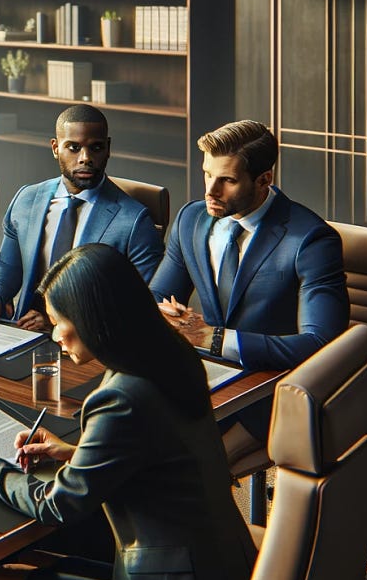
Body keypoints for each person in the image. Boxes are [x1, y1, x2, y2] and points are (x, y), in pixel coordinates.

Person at [0, 243, 257, 580]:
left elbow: (58, 506)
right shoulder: (172, 355)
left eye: (58, 324)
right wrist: (75, 453)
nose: (54, 336)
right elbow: (165, 451)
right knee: (46, 565)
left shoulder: (120, 395)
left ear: (92, 318)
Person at [149, 119, 348, 438]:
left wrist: (213, 338)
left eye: (226, 180)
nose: (210, 191)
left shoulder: (311, 240)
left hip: (268, 395)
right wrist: (165, 315)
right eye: (207, 174)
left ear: (264, 179)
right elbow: (157, 295)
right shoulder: (191, 219)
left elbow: (321, 345)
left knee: (173, 462)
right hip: (200, 378)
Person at [0, 104, 163, 330]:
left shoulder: (134, 222)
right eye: (73, 147)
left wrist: (61, 320)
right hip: (21, 331)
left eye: (96, 147)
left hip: (91, 343)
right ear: (55, 148)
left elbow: (142, 305)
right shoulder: (26, 198)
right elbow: (8, 263)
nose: (86, 158)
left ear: (108, 148)